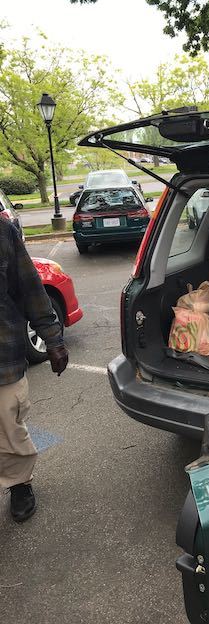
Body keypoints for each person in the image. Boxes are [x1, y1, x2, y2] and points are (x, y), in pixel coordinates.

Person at [0, 218, 68, 522]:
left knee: (9, 429)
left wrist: (53, 339)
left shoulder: (3, 232)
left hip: (3, 358)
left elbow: (30, 288)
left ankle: (19, 483)